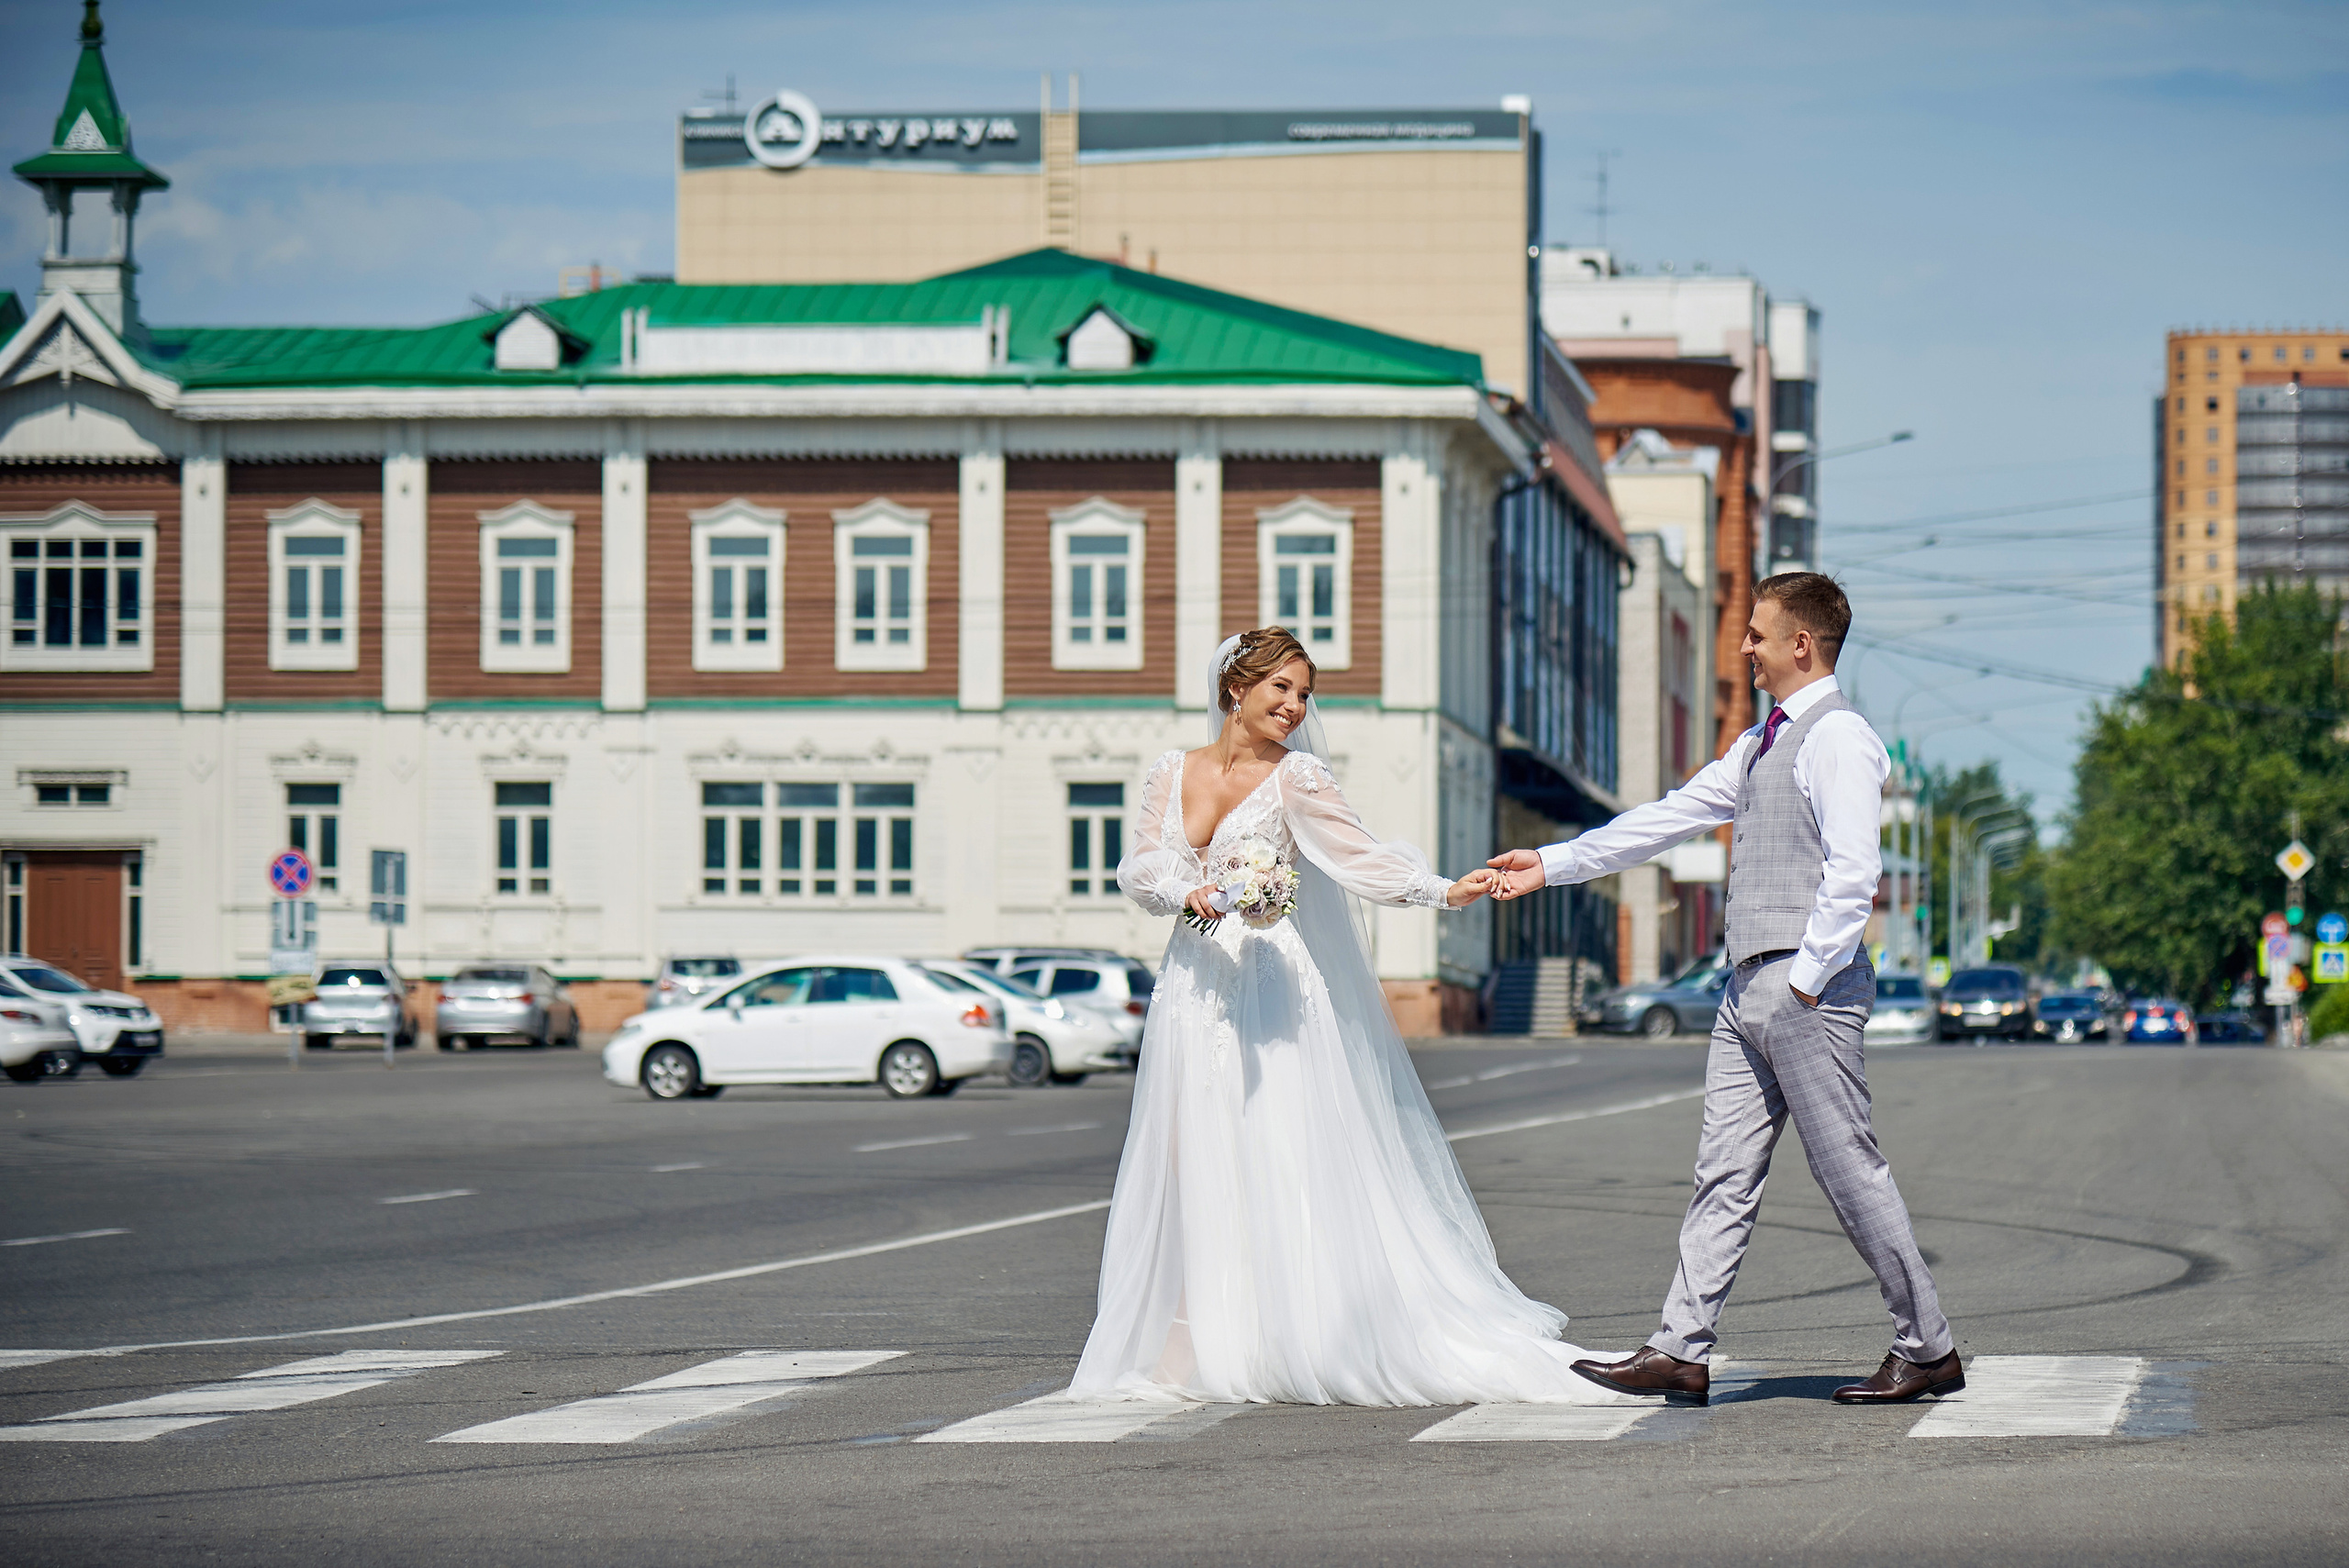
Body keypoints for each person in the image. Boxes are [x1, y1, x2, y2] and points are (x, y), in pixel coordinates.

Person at [1070, 627, 1618, 1406]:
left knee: (1278, 1148)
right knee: (1187, 1155)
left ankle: (1307, 1331)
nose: (1295, 707)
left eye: (1303, 694)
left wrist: (1439, 890)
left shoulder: (1301, 779)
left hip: (1273, 985)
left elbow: (1360, 859)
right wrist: (1180, 889)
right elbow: (1141, 861)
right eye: (1280, 689)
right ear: (1236, 688)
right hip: (1193, 985)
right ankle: (1191, 1335)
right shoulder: (1173, 770)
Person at [1488, 573, 1962, 1407]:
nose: (1743, 647)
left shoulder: (1838, 737)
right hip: (1745, 986)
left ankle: (1927, 1347)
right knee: (1723, 1173)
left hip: (1800, 986)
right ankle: (1680, 1348)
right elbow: (1668, 817)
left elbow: (1856, 876)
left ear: (1800, 645)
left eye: (1755, 634)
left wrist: (1807, 984)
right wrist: (1552, 864)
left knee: (1849, 1168)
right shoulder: (1760, 744)